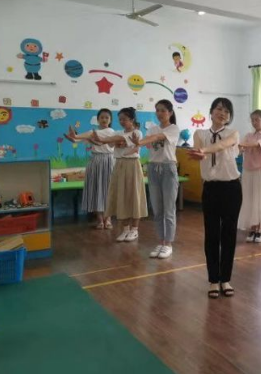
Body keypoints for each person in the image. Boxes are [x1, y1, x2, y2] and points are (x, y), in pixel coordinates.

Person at [188, 98, 242, 299]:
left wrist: (204, 150)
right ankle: (213, 280)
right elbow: (198, 151)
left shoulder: (232, 133)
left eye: (227, 111)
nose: (222, 113)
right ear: (211, 112)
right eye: (219, 109)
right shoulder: (200, 134)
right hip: (210, 188)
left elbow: (222, 145)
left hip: (231, 188)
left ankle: (225, 279)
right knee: (211, 234)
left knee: (229, 234)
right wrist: (199, 153)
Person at [130, 100, 180, 259]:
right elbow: (149, 143)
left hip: (168, 169)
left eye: (163, 110)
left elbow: (157, 137)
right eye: (157, 110)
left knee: (169, 210)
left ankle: (168, 244)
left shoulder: (173, 129)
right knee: (157, 210)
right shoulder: (152, 128)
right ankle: (161, 242)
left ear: (170, 113)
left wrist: (139, 142)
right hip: (153, 168)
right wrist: (137, 145)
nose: (159, 113)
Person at [92, 107, 148, 243]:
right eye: (120, 119)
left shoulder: (137, 133)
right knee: (121, 196)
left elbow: (121, 141)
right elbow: (113, 143)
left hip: (133, 164)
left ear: (132, 119)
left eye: (124, 119)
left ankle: (134, 230)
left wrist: (108, 140)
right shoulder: (118, 132)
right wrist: (109, 141)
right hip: (119, 164)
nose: (122, 122)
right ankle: (125, 229)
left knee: (134, 196)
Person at [64, 108, 115, 229]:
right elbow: (80, 139)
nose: (104, 119)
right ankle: (100, 220)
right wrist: (74, 137)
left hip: (109, 161)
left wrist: (77, 136)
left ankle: (108, 219)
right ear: (97, 119)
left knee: (108, 190)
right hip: (95, 161)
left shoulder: (111, 131)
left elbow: (93, 136)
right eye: (101, 117)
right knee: (96, 190)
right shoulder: (92, 132)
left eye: (107, 117)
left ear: (110, 120)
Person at [238, 110, 261, 243]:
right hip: (247, 170)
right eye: (252, 120)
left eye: (257, 119)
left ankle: (259, 230)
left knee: (259, 200)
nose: (254, 122)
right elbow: (241, 148)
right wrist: (239, 147)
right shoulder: (248, 135)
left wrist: (241, 144)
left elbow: (257, 145)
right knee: (249, 199)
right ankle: (252, 228)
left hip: (260, 171)